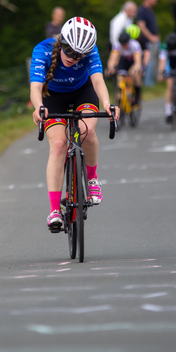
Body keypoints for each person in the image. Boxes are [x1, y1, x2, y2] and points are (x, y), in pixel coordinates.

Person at [30, 16, 120, 232]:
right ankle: (54, 210)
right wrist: (38, 107)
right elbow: (35, 87)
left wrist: (107, 105)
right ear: (62, 43)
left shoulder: (91, 50)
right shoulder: (43, 50)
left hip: (83, 92)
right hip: (53, 96)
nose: (73, 57)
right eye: (69, 51)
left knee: (87, 132)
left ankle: (91, 179)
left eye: (79, 55)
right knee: (59, 144)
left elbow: (98, 80)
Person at [106, 30, 143, 106]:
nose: (124, 46)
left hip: (133, 61)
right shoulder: (117, 45)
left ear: (129, 41)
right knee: (120, 79)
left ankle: (137, 96)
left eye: (125, 44)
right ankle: (120, 102)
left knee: (136, 76)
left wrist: (135, 69)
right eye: (122, 44)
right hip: (123, 62)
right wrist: (110, 68)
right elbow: (112, 60)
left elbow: (138, 62)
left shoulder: (135, 45)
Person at [136, 0, 160, 86]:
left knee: (154, 62)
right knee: (148, 62)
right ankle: (148, 83)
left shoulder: (150, 10)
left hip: (154, 40)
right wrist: (151, 37)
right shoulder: (142, 11)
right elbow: (141, 26)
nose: (156, 1)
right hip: (148, 41)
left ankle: (152, 82)